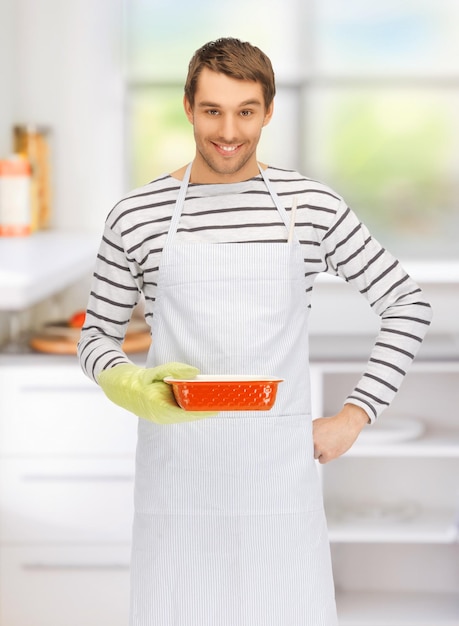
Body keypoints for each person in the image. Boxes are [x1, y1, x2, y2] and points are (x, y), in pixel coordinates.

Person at [77, 37, 432, 626]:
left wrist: (354, 416)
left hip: (276, 483)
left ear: (268, 111)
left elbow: (407, 303)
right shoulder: (135, 215)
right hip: (180, 485)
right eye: (213, 110)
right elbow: (96, 339)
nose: (229, 131)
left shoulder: (310, 206)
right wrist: (130, 385)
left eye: (246, 111)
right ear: (188, 107)